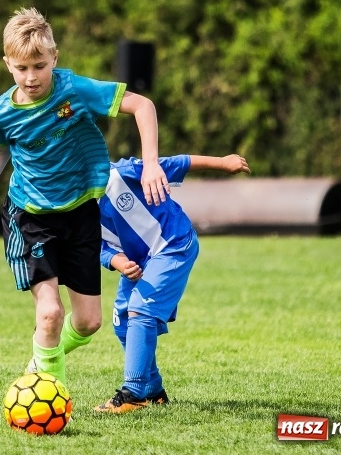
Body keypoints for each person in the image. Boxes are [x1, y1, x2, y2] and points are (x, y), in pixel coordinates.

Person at [0, 8, 169, 386]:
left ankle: (40, 358)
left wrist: (151, 163)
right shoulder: (1, 112)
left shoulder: (74, 91)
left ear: (54, 57)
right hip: (31, 216)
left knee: (88, 322)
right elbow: (0, 149)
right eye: (21, 68)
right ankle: (51, 392)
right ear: (7, 65)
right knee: (50, 313)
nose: (31, 77)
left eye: (39, 65)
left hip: (81, 213)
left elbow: (143, 105)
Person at [94, 153, 250, 413]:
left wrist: (223, 163)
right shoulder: (74, 208)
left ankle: (133, 392)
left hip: (174, 243)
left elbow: (179, 163)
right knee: (122, 323)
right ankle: (153, 391)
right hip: (137, 261)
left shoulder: (122, 173)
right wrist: (117, 261)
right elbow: (94, 246)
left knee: (140, 309)